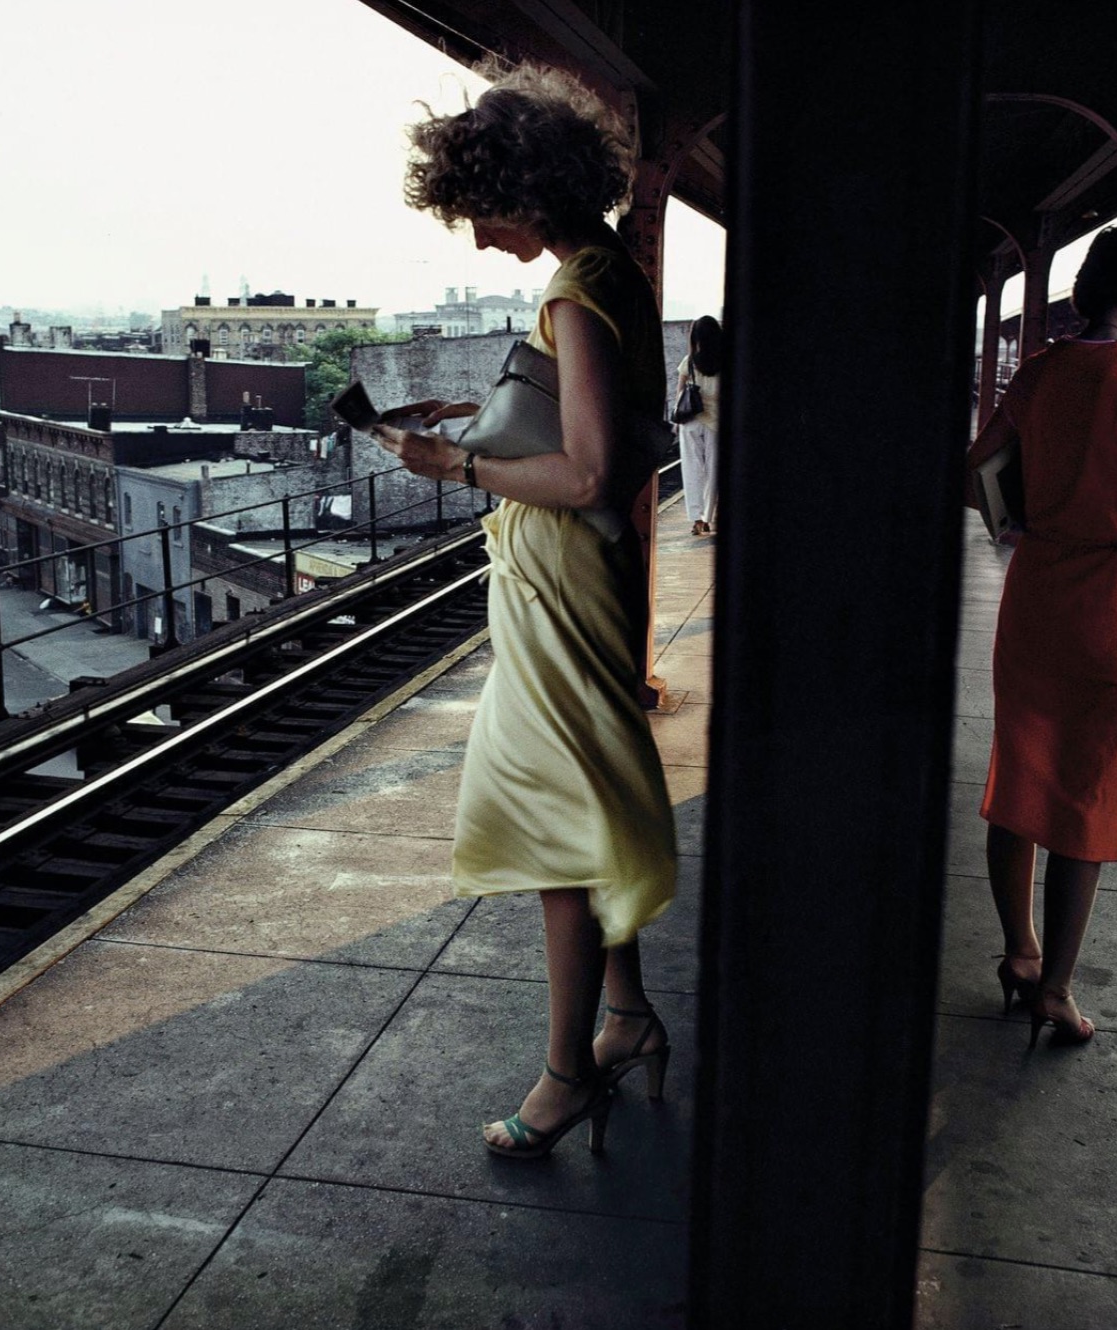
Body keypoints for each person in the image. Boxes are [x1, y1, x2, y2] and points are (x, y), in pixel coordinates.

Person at [379, 60, 677, 1158]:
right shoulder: (611, 270)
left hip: (561, 583)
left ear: (521, 190)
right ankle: (628, 1017)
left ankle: (563, 1077)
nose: (471, 236)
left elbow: (592, 473)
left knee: (556, 823)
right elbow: (592, 425)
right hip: (572, 584)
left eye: (476, 210)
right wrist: (494, 412)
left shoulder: (572, 289)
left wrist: (451, 462)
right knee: (578, 799)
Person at [964, 224, 1117, 1049]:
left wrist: (1024, 516)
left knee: (1020, 772)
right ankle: (1056, 990)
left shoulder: (1035, 374)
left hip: (1035, 600)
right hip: (1109, 612)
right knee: (1086, 793)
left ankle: (1020, 952)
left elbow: (973, 475)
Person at [674, 316, 723, 535]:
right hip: (715, 423)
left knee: (692, 470)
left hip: (691, 420)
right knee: (713, 472)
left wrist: (677, 421)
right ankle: (707, 518)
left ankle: (695, 519)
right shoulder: (724, 362)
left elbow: (679, 393)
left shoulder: (690, 361)